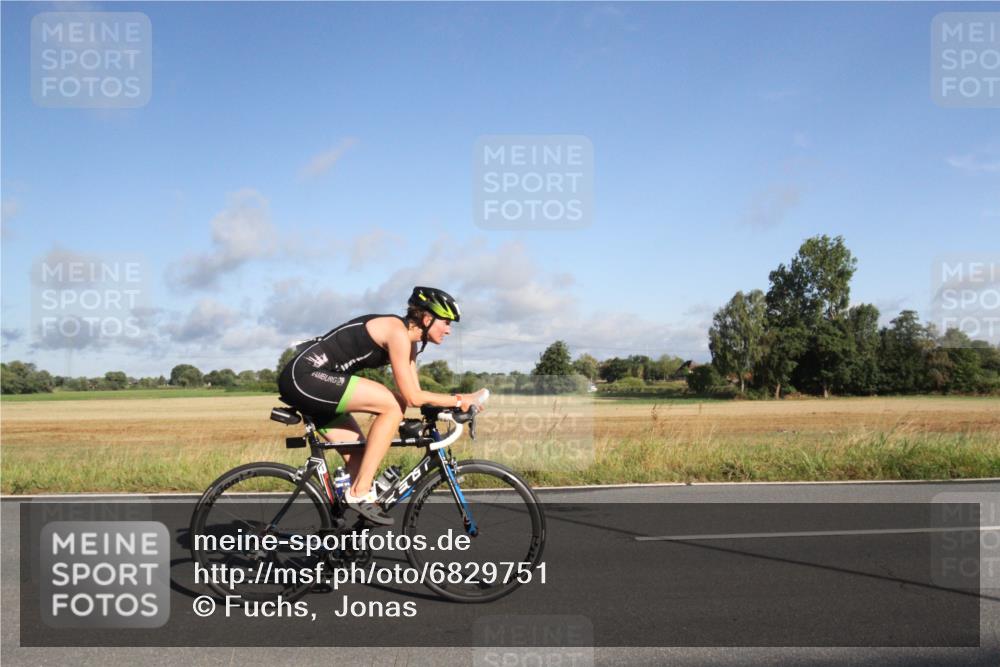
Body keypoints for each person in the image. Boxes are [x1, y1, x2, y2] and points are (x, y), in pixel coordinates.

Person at [277, 286, 486, 525]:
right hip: (305, 377)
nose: (449, 330)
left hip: (318, 385)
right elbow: (412, 397)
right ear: (427, 318)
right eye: (446, 322)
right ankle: (359, 492)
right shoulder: (396, 332)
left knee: (359, 455)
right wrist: (460, 399)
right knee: (392, 405)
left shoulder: (411, 345)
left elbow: (416, 394)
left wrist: (445, 408)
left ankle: (340, 536)